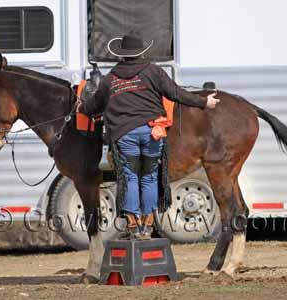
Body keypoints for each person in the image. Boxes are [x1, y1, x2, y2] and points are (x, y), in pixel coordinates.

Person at [78, 32, 220, 239]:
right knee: (150, 177)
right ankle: (148, 223)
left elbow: (92, 107)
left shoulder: (110, 79)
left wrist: (81, 106)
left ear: (122, 55)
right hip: (152, 131)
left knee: (130, 177)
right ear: (141, 52)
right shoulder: (153, 71)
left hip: (124, 135)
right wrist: (204, 102)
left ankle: (134, 225)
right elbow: (176, 93)